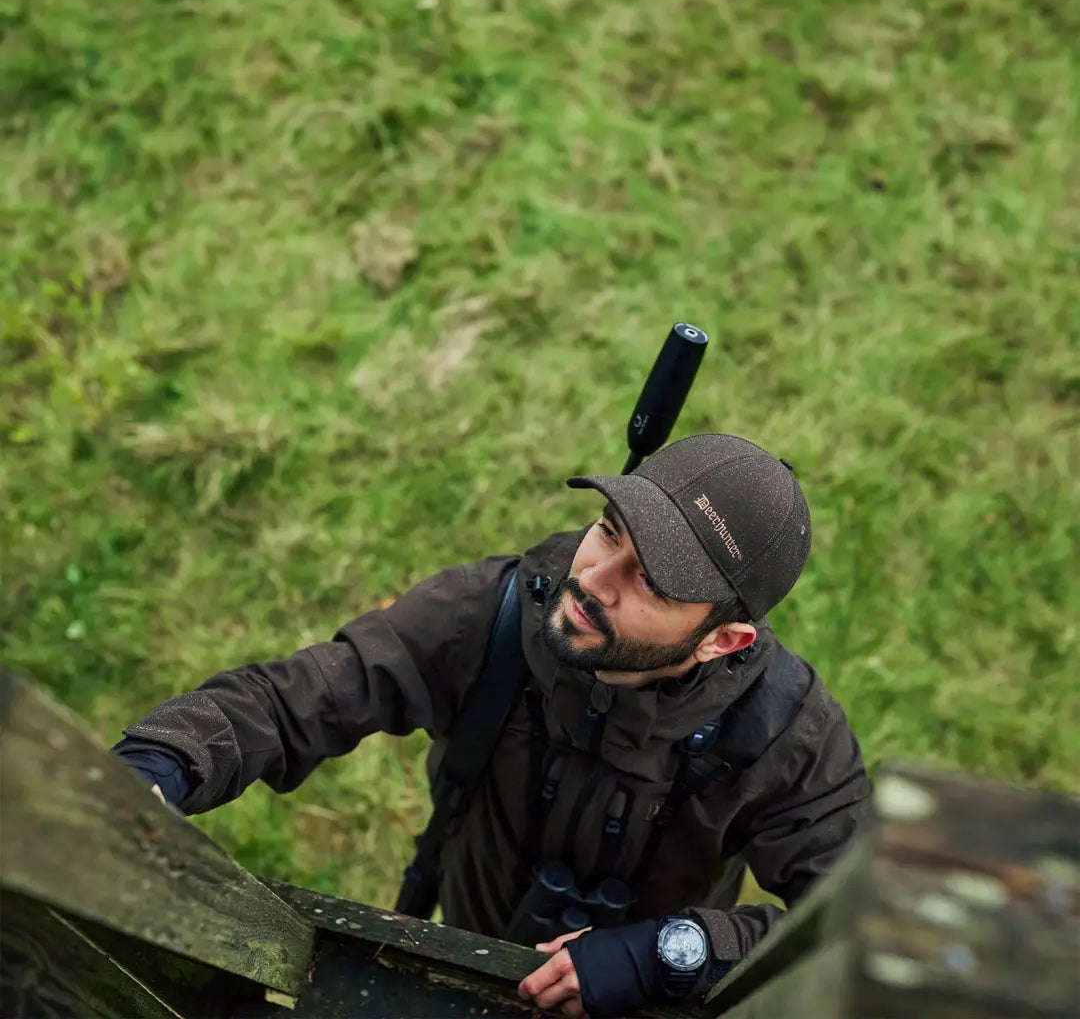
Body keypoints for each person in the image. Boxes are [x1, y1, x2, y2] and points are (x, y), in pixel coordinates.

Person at [113, 433, 870, 1017]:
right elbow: (296, 698)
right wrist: (158, 765)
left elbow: (857, 923)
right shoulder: (495, 615)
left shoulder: (790, 733)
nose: (592, 581)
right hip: (461, 943)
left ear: (723, 640)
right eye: (610, 531)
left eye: (651, 580)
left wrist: (678, 954)